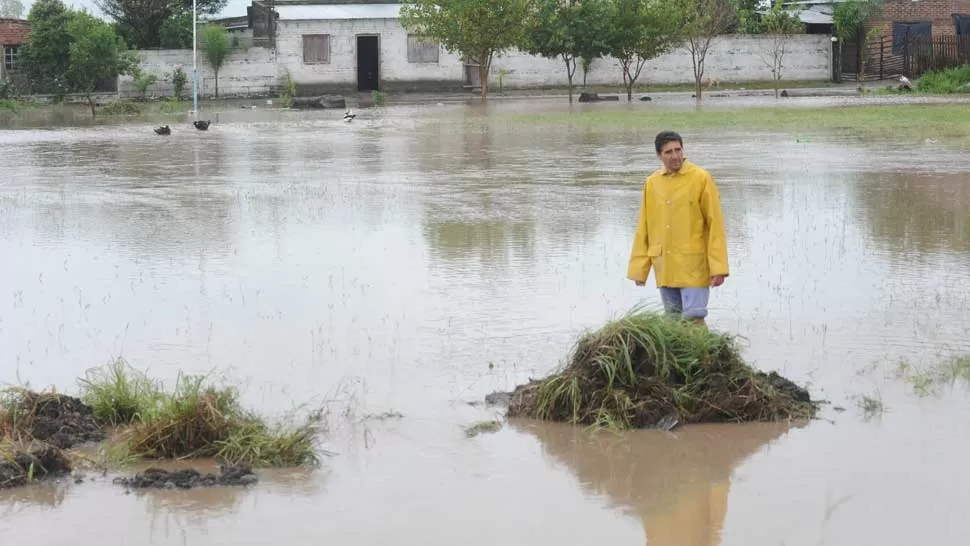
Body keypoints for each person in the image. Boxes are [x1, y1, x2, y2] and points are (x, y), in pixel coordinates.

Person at [627, 131, 729, 327]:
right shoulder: (652, 183)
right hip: (664, 264)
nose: (674, 156)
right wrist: (639, 269)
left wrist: (719, 267)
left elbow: (715, 224)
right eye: (668, 152)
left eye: (678, 150)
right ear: (659, 155)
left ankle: (705, 357)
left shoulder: (701, 178)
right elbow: (644, 227)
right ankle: (679, 357)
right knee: (673, 322)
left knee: (694, 317)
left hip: (694, 263)